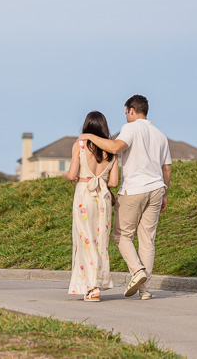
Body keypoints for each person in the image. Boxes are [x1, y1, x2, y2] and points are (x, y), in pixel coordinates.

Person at [79, 94, 171, 300]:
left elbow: (115, 147)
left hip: (135, 189)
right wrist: (165, 193)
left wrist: (89, 137)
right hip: (157, 188)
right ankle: (144, 290)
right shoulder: (160, 135)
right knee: (147, 240)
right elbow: (167, 169)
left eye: (126, 113)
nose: (126, 117)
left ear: (131, 111)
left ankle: (137, 271)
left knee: (122, 235)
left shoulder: (130, 128)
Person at [65, 111, 119, 302]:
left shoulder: (79, 145)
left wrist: (68, 176)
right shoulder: (112, 151)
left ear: (86, 126)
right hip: (103, 197)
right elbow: (113, 182)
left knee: (85, 240)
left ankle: (91, 287)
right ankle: (98, 283)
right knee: (100, 242)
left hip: (84, 194)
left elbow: (72, 174)